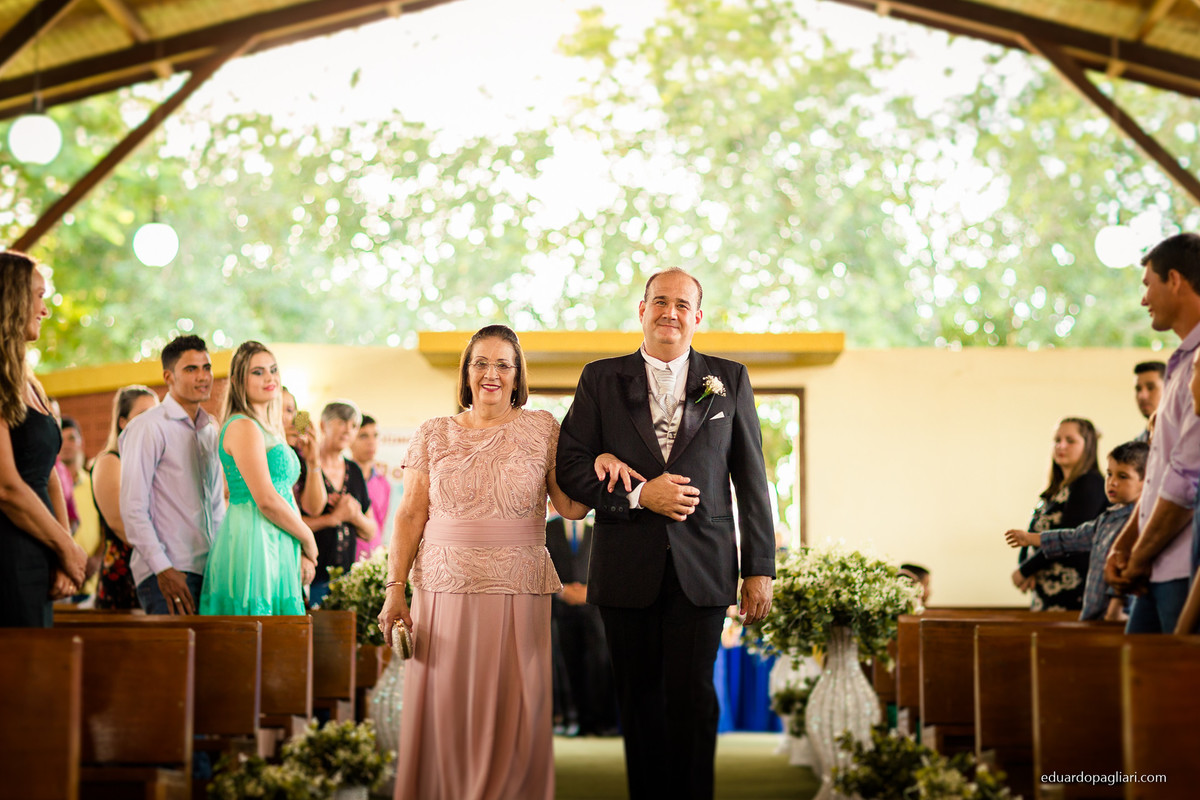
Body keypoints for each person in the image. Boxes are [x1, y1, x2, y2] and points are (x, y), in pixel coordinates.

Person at [556, 267, 776, 800]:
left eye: (681, 304)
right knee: (638, 702)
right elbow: (571, 468)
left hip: (704, 565)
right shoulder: (600, 379)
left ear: (697, 316)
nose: (669, 313)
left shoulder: (730, 379)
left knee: (694, 698)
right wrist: (637, 495)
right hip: (625, 566)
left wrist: (759, 569)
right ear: (642, 310)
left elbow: (752, 480)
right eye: (659, 301)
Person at [377, 324, 595, 800]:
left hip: (517, 587)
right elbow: (410, 514)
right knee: (446, 706)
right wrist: (395, 589)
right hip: (442, 589)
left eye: (503, 364)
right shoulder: (433, 433)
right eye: (481, 363)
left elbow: (570, 507)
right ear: (466, 372)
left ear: (517, 376)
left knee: (511, 705)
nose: (491, 373)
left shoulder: (543, 428)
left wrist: (603, 466)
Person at [1107, 233, 1200, 634]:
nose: (1144, 300)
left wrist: (1139, 555)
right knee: (1135, 670)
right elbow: (1160, 476)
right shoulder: (1179, 363)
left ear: (1174, 280)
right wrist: (1125, 543)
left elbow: (1187, 480)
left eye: (1148, 285)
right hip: (1153, 564)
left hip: (1183, 566)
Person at [0, 251, 87, 626]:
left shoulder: (31, 382)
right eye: (39, 296)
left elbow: (49, 473)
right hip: (9, 549)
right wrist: (67, 547)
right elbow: (6, 487)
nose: (45, 310)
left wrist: (63, 552)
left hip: (42, 547)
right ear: (12, 298)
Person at [200, 341, 318, 615]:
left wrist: (300, 547)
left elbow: (284, 493)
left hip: (279, 536)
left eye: (273, 370)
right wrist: (308, 537)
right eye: (258, 372)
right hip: (255, 537)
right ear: (237, 380)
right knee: (257, 628)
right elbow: (265, 498)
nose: (269, 377)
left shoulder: (269, 429)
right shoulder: (243, 425)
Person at [120, 334, 225, 615]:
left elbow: (216, 506)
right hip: (168, 572)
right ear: (169, 377)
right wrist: (163, 568)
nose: (202, 376)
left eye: (206, 367)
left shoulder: (209, 430)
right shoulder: (148, 427)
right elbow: (133, 508)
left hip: (210, 573)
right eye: (191, 369)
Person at [1007, 441, 1148, 621]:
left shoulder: (1139, 523)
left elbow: (1129, 568)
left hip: (1118, 615)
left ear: (1146, 481)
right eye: (1109, 474)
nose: (1112, 482)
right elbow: (1074, 537)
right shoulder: (1107, 519)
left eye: (1123, 476)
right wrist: (1030, 538)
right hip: (1093, 612)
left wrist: (1118, 604)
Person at [1010, 417, 1107, 611]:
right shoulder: (1055, 490)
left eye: (1070, 440)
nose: (1061, 446)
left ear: (1088, 446)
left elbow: (1068, 536)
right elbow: (1032, 533)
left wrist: (1026, 570)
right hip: (1045, 590)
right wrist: (1025, 566)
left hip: (1072, 591)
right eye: (1057, 440)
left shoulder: (1089, 483)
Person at [544, 501, 618, 737]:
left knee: (598, 663)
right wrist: (562, 591)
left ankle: (599, 721)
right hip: (561, 608)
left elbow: (611, 566)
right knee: (567, 663)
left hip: (594, 608)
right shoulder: (548, 529)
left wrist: (590, 591)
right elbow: (542, 566)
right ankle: (573, 718)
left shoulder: (599, 526)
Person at [298, 400, 375, 606]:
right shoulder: (304, 465)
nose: (348, 430)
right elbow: (294, 521)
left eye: (353, 425)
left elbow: (370, 531)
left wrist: (354, 515)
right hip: (310, 576)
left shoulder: (354, 470)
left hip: (346, 581)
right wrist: (332, 518)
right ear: (323, 425)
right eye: (341, 422)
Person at [91, 385, 159, 609]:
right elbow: (120, 523)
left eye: (156, 413)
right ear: (122, 422)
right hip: (124, 573)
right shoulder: (110, 461)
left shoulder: (155, 464)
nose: (152, 421)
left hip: (156, 569)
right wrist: (163, 559)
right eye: (143, 414)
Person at [351, 414, 390, 561]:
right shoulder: (342, 477)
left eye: (375, 436)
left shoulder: (384, 483)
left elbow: (380, 525)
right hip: (345, 560)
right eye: (363, 436)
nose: (371, 442)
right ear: (351, 439)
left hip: (373, 561)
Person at [1133, 361, 1165, 442]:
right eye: (1138, 389)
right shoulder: (1138, 441)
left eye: (1151, 388)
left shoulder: (1186, 436)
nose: (1142, 396)